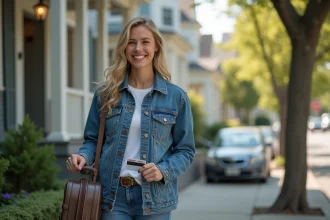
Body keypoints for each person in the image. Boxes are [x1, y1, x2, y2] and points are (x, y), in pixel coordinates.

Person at [66, 16, 195, 220]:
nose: (138, 48)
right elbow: (92, 140)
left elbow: (185, 151)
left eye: (145, 42)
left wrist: (163, 170)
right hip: (112, 196)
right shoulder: (106, 94)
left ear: (156, 48)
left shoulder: (176, 97)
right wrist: (83, 156)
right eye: (131, 42)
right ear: (124, 48)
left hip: (155, 198)